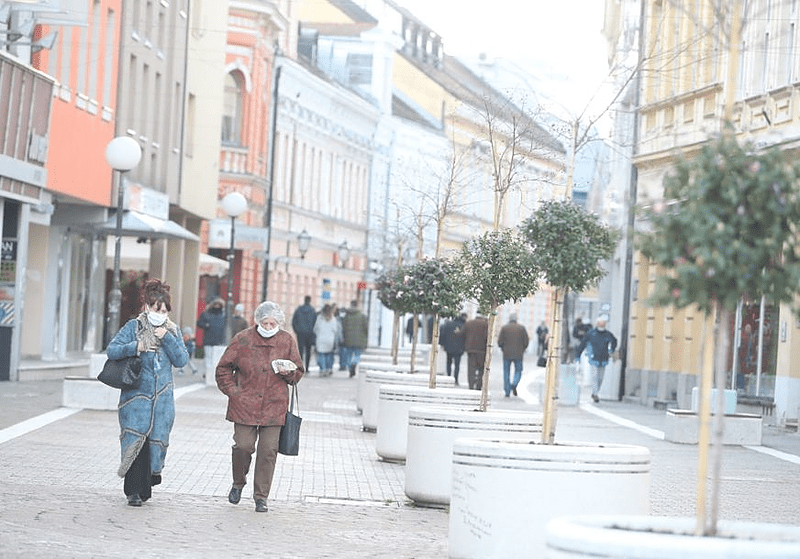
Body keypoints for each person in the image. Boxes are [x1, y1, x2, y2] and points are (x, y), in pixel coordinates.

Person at [105, 278, 189, 507]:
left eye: (164, 309)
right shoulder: (133, 327)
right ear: (146, 307)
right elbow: (112, 351)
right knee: (135, 442)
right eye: (156, 308)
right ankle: (133, 492)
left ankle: (146, 487)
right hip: (135, 399)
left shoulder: (172, 330)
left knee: (155, 442)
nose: (160, 313)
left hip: (162, 401)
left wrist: (167, 338)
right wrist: (137, 347)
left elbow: (182, 359)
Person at [215, 301, 304, 513]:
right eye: (265, 322)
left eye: (273, 323)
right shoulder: (243, 339)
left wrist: (289, 372)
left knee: (268, 451)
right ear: (258, 320)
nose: (268, 326)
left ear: (279, 323)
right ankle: (238, 483)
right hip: (245, 404)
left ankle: (261, 497)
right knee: (243, 446)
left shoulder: (286, 340)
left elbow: (298, 371)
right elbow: (223, 368)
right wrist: (233, 392)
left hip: (274, 406)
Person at [576, 318, 618, 403]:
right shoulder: (591, 333)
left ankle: (595, 392)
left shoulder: (608, 334)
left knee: (601, 378)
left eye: (603, 323)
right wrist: (578, 355)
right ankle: (595, 394)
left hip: (604, 358)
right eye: (600, 322)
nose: (602, 324)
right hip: (593, 357)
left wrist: (612, 349)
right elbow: (583, 343)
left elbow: (614, 341)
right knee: (594, 376)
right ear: (597, 323)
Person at [498, 314, 529, 397]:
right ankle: (515, 384)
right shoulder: (522, 328)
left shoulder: (504, 328)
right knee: (518, 371)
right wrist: (522, 349)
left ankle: (507, 391)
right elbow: (526, 341)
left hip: (506, 354)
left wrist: (503, 348)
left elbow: (499, 342)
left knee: (506, 372)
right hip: (518, 354)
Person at [197, 297, 226, 374]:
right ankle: (207, 372)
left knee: (216, 359)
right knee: (208, 358)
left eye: (219, 305)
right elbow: (199, 323)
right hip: (208, 339)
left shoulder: (224, 316)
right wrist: (206, 325)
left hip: (219, 340)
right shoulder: (206, 314)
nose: (217, 306)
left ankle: (213, 373)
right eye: (216, 304)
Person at [342, 299, 368, 377]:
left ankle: (350, 367)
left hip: (348, 339)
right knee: (357, 354)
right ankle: (354, 363)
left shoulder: (347, 316)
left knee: (349, 354)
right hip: (359, 339)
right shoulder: (362, 316)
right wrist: (365, 338)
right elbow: (366, 328)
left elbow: (343, 327)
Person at [463, 312, 489, 391]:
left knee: (471, 369)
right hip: (482, 351)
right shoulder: (485, 324)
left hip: (471, 350)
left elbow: (462, 333)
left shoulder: (469, 323)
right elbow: (487, 337)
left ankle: (471, 386)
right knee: (481, 369)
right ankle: (478, 386)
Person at [313, 303, 341, 376]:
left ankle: (323, 369)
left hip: (320, 339)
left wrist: (317, 334)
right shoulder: (333, 318)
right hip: (330, 339)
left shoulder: (320, 318)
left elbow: (315, 329)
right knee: (329, 355)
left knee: (321, 354)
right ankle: (329, 368)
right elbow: (335, 330)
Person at [292, 295, 317, 372]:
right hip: (309, 333)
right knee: (308, 351)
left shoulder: (299, 309)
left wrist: (297, 330)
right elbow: (315, 322)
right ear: (310, 301)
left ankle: (300, 367)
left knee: (300, 350)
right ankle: (307, 367)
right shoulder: (312, 310)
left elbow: (293, 321)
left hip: (300, 333)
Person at [439, 313, 466, 384]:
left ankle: (448, 377)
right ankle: (456, 379)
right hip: (459, 349)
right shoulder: (462, 326)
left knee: (448, 363)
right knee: (457, 365)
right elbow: (464, 338)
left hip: (449, 348)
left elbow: (443, 334)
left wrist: (443, 345)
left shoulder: (448, 324)